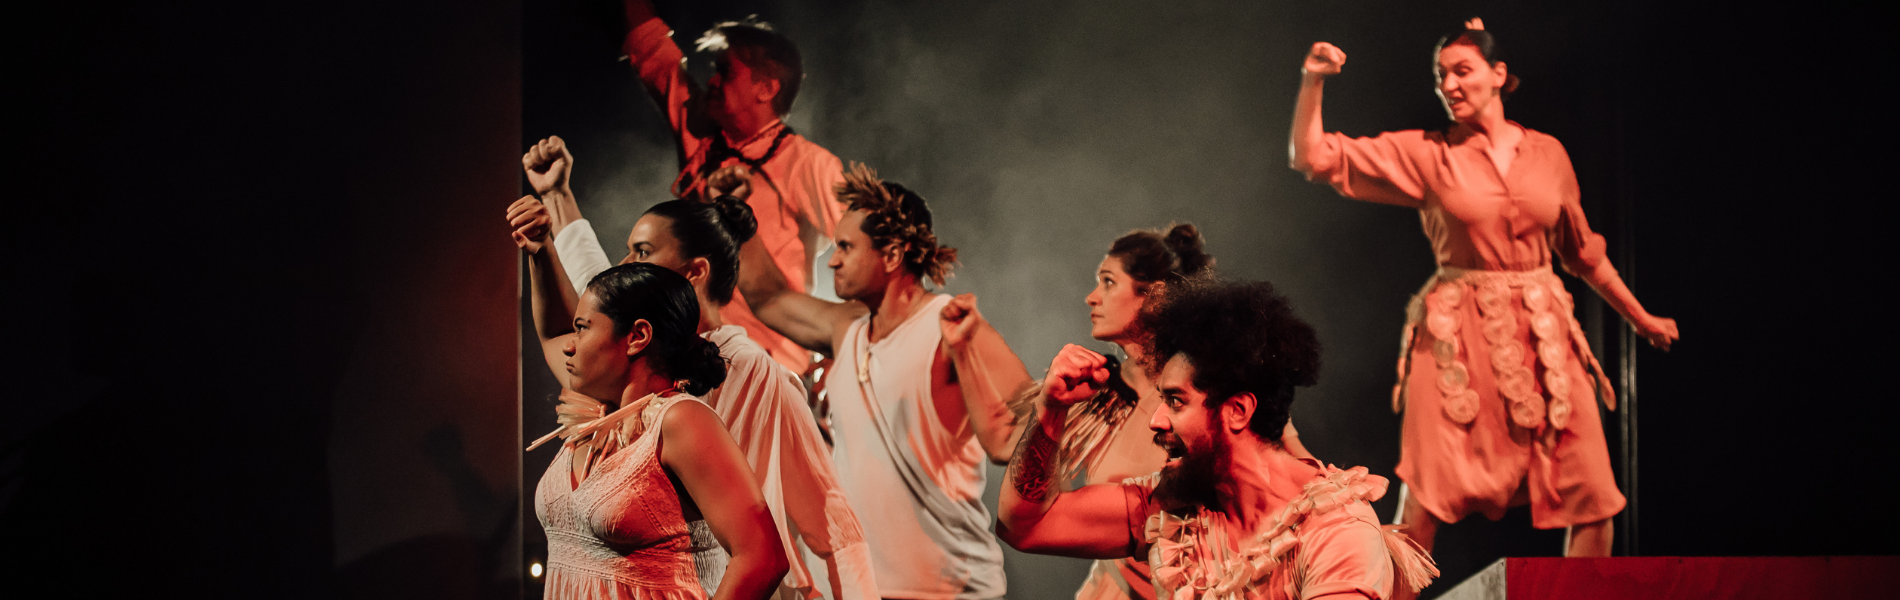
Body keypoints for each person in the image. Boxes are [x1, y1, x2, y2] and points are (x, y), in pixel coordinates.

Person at [1286, 18, 1680, 558]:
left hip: (1544, 339)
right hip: (1459, 341)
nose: (1448, 85)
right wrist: (1314, 79)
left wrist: (1642, 318)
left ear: (1499, 75)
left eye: (1461, 71)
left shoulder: (1549, 155)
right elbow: (1312, 158)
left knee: (1593, 496)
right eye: (1439, 75)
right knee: (1424, 501)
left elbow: (1584, 254)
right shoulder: (1430, 153)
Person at [510, 185, 879, 599]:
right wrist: (552, 219)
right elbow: (584, 313)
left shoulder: (746, 371)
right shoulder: (614, 388)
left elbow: (821, 514)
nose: (627, 263)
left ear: (695, 272)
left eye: (643, 252)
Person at [997, 279, 1437, 600]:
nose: (1156, 421)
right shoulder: (1176, 508)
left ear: (1237, 411)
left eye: (1175, 401)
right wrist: (1051, 411)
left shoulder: (1336, 531)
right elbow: (1026, 525)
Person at [737, 164, 1031, 600]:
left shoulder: (949, 328)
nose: (832, 259)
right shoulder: (848, 328)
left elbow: (1027, 414)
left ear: (892, 255)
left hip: (941, 591)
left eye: (846, 247)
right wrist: (739, 216)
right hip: (853, 587)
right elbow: (770, 298)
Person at [529, 0, 848, 375]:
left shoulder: (810, 164)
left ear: (766, 88)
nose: (711, 80)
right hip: (688, 359)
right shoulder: (703, 134)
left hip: (768, 363)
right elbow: (656, 57)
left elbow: (863, 255)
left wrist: (840, 345)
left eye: (725, 72)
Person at [1024, 224, 1314, 600]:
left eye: (1108, 282)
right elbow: (1010, 466)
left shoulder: (1224, 398)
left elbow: (1298, 488)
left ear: (1153, 295)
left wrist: (1346, 528)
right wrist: (1049, 406)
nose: (1092, 297)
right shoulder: (1099, 393)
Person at [512, 228, 789, 599]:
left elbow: (763, 557)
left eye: (583, 328)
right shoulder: (597, 415)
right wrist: (540, 250)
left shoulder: (681, 421)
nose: (570, 346)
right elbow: (551, 334)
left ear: (638, 336)